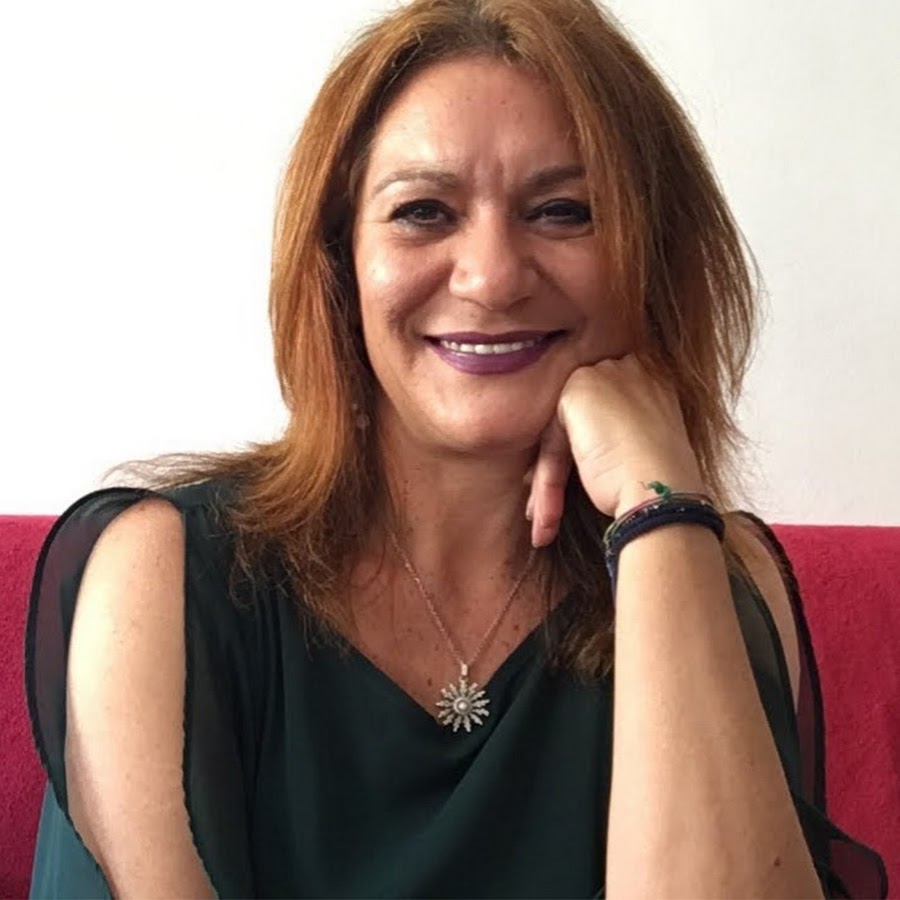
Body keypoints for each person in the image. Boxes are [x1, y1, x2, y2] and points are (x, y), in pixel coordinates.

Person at [25, 0, 888, 896]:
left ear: (652, 260)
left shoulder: (713, 572)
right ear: (339, 263)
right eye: (424, 211)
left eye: (564, 211)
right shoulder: (163, 576)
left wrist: (657, 503)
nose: (492, 277)